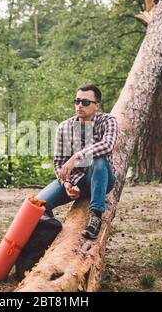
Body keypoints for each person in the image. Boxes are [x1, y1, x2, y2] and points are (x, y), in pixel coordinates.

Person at [37, 84, 118, 239]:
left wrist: (76, 157)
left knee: (98, 159)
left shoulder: (108, 121)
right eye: (77, 101)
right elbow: (59, 162)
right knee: (39, 205)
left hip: (101, 177)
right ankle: (50, 237)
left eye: (85, 102)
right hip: (75, 180)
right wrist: (67, 183)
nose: (80, 105)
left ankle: (96, 216)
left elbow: (107, 145)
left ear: (97, 106)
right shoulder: (64, 127)